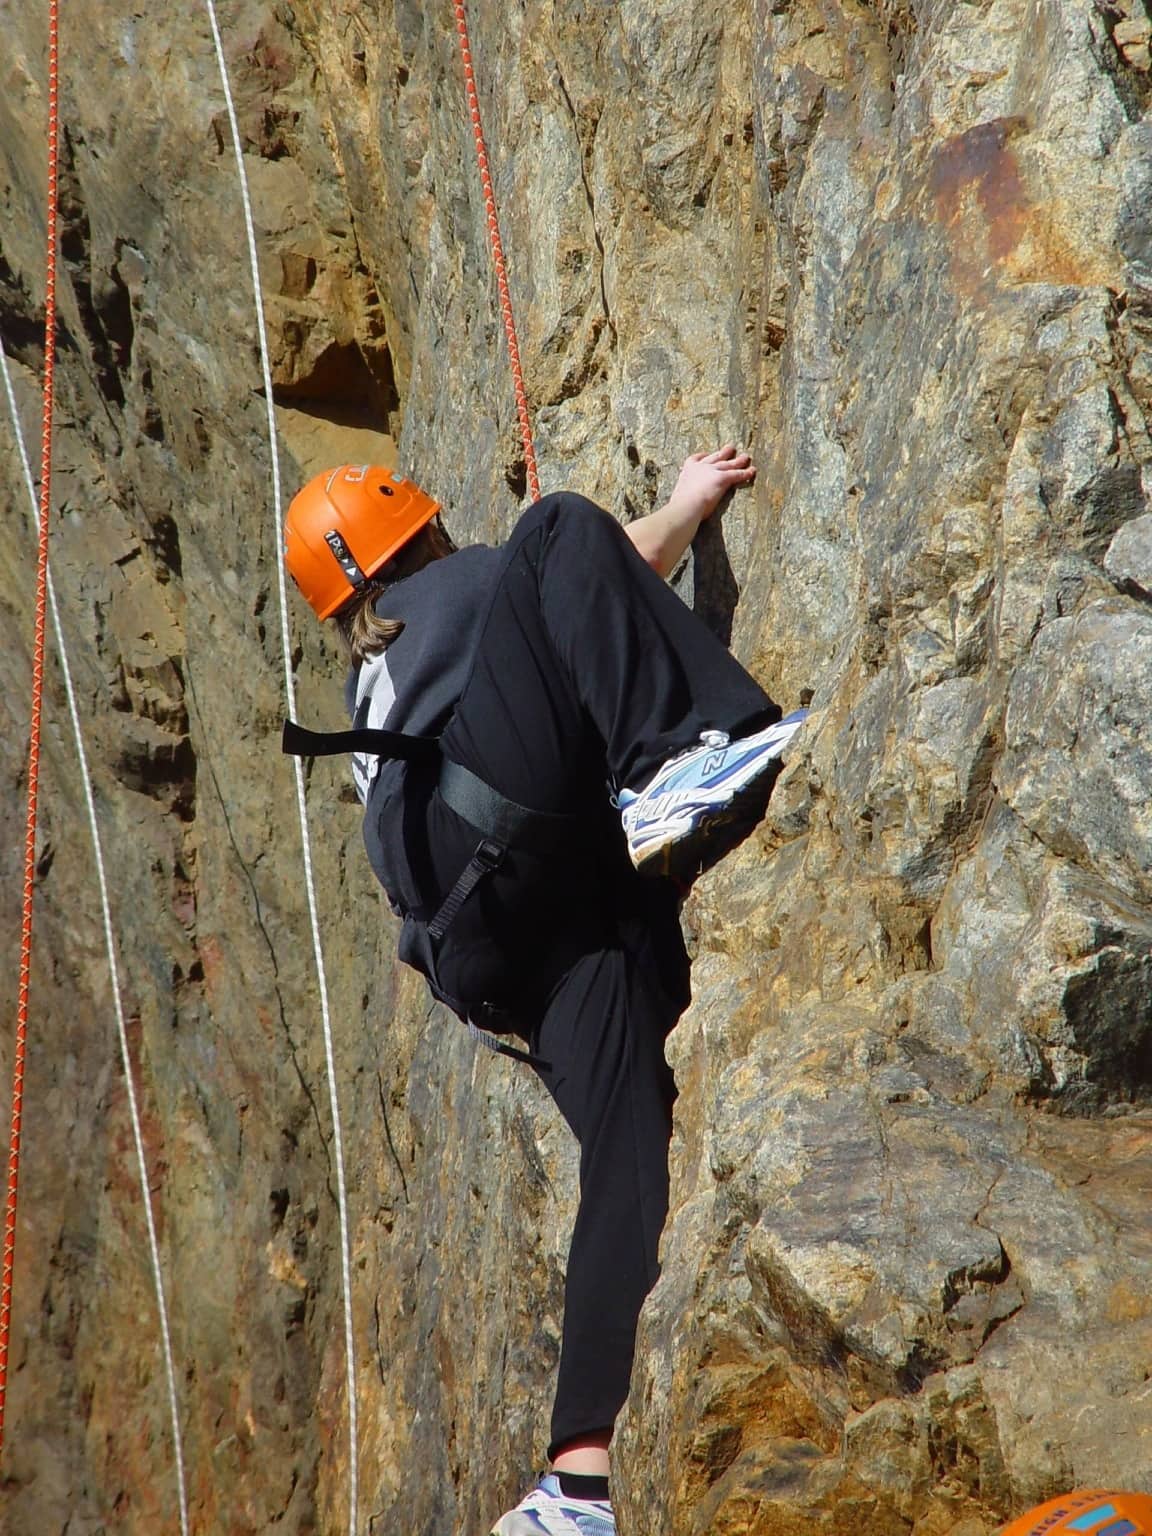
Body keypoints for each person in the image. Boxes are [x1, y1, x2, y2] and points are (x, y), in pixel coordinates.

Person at [283, 447, 807, 1536]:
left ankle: (577, 1475)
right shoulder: (449, 590)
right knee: (560, 525)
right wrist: (684, 505)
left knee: (633, 1148)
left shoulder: (375, 669)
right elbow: (601, 565)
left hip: (499, 948)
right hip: (500, 849)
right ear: (415, 540)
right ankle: (678, 759)